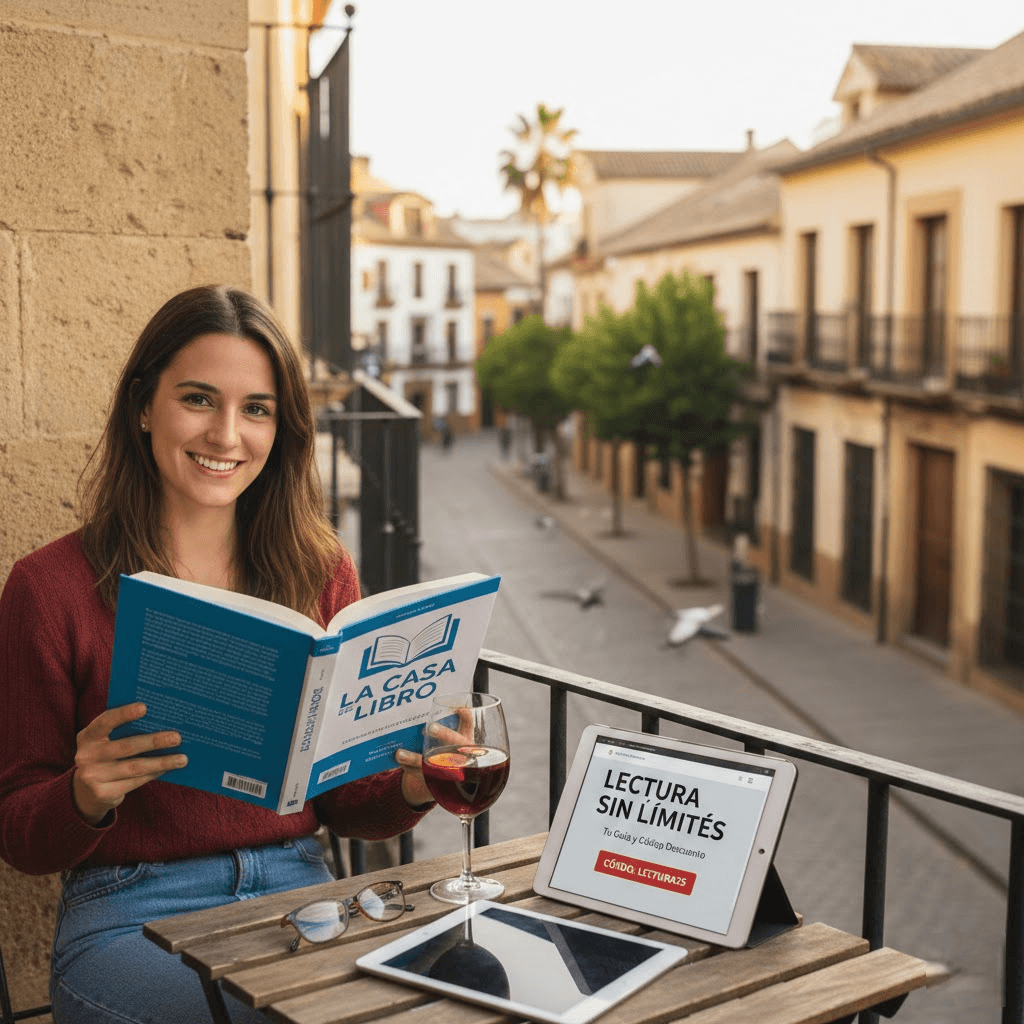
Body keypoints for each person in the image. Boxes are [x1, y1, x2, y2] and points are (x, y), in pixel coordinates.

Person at [0, 285, 436, 1023]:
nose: (227, 434)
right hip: (129, 911)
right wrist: (85, 792)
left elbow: (342, 802)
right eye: (199, 399)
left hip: (301, 894)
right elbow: (19, 832)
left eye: (257, 408)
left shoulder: (321, 570)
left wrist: (418, 782)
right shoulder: (51, 587)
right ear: (145, 407)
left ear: (282, 427)